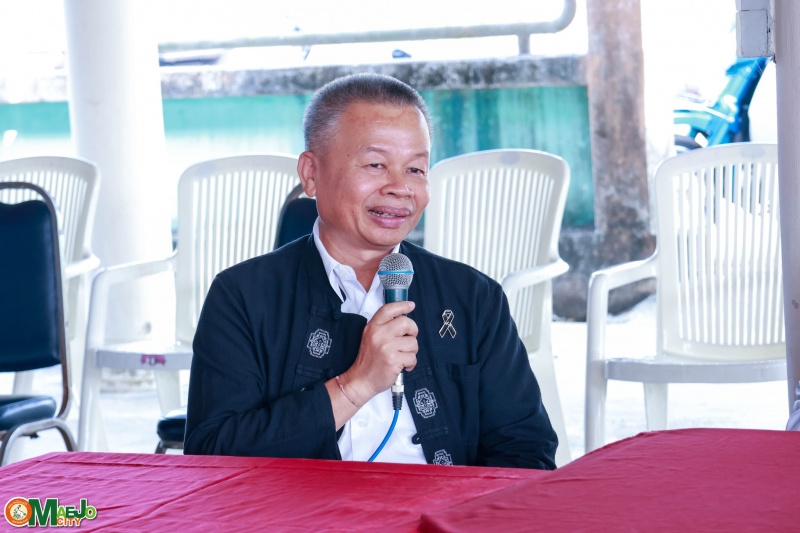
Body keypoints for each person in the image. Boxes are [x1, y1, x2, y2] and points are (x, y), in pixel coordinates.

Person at [184, 73, 558, 469]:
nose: (400, 187)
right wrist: (358, 383)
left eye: (416, 169)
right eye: (376, 164)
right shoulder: (243, 295)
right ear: (311, 174)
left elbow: (526, 451)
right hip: (303, 506)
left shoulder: (472, 297)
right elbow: (211, 455)